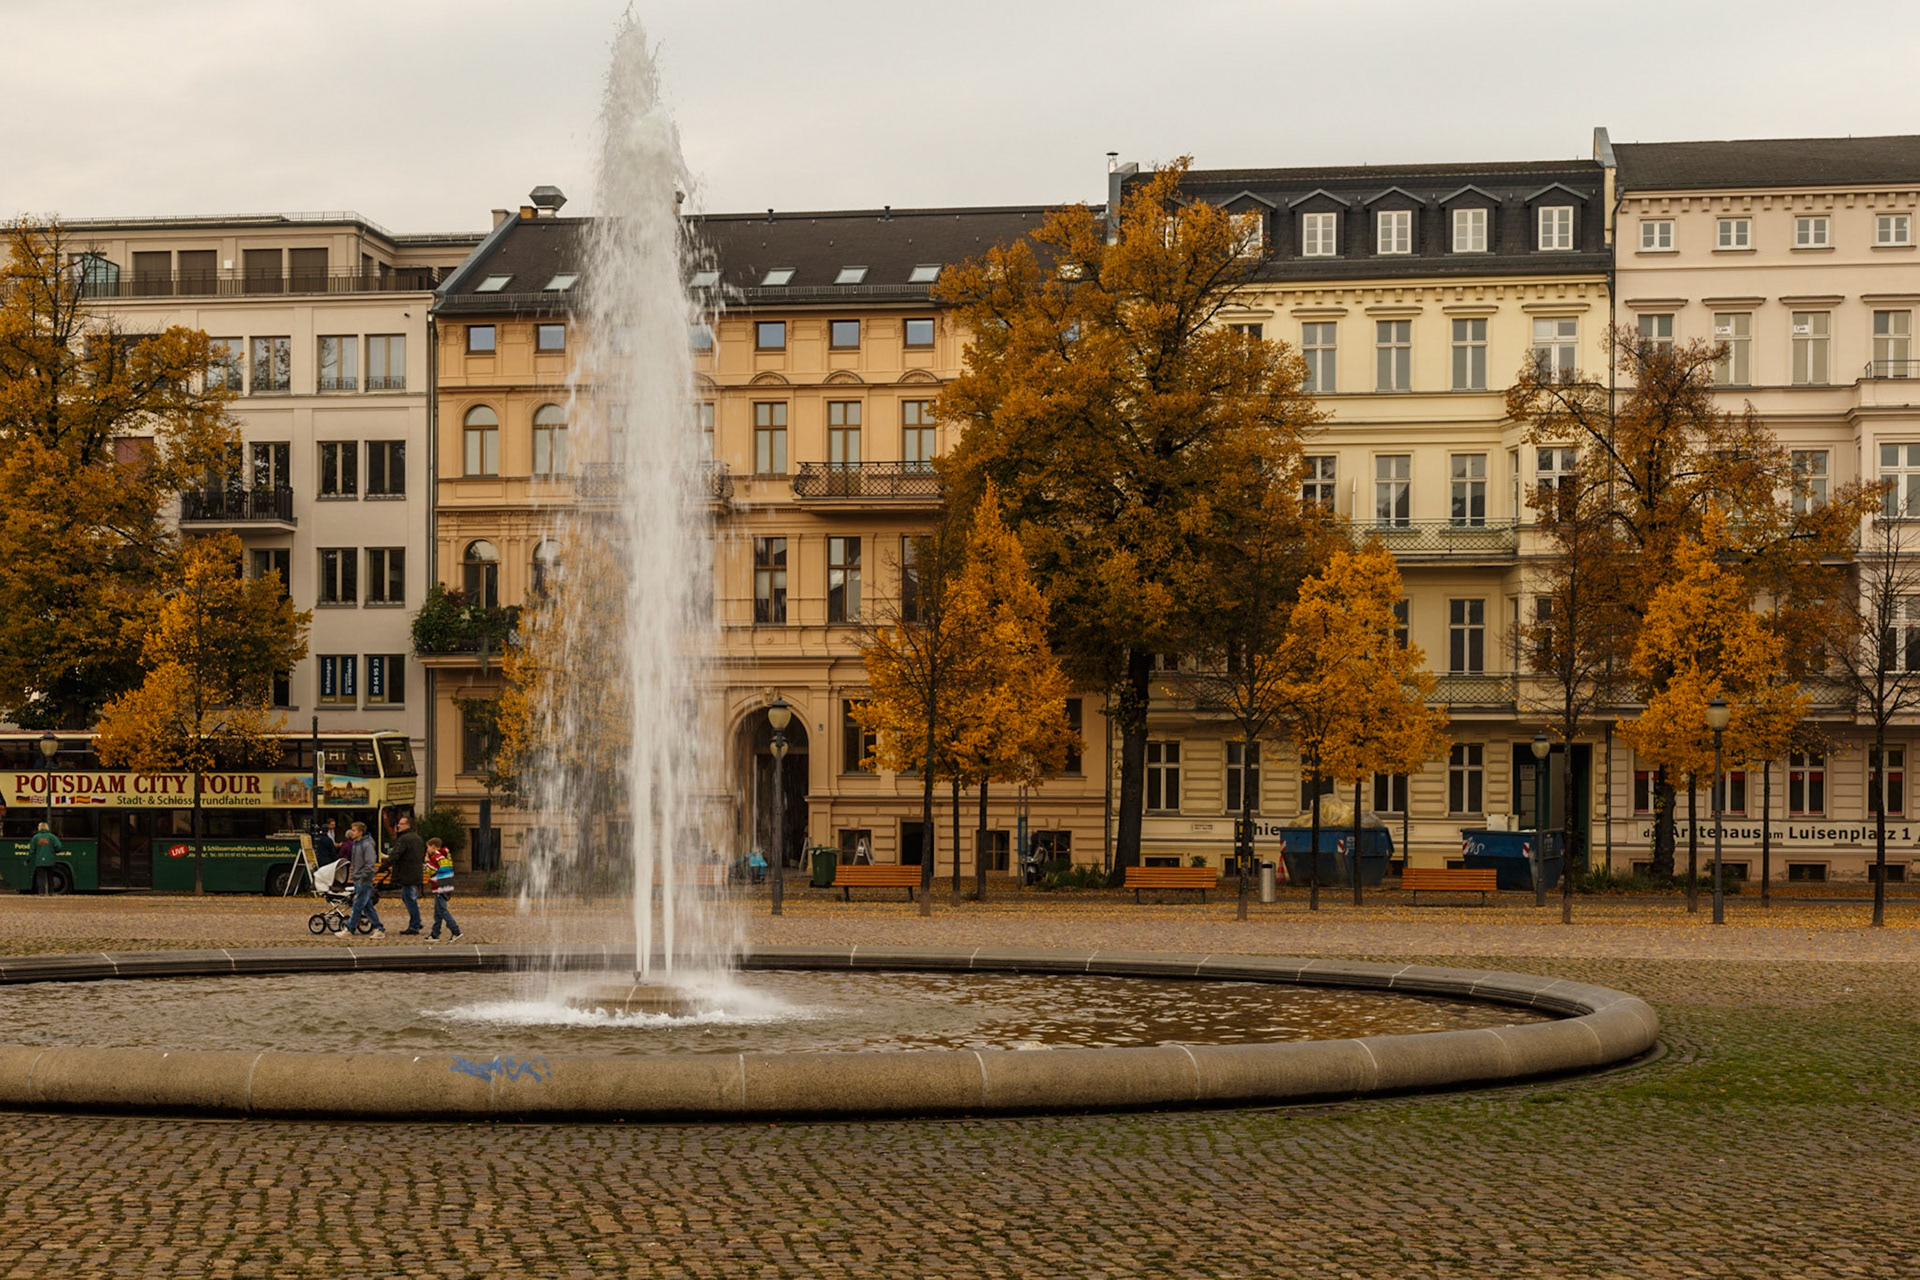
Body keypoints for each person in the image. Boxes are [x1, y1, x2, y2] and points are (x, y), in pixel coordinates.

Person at [380, 810, 428, 935]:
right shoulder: (417, 838)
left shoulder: (404, 839)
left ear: (408, 826)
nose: (398, 826)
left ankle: (415, 924)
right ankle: (416, 921)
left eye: (401, 824)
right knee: (408, 897)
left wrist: (383, 866)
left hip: (407, 873)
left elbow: (396, 854)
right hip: (414, 872)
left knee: (409, 898)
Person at [340, 820, 384, 939]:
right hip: (359, 878)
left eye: (354, 830)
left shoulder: (367, 845)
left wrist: (362, 878)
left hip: (363, 880)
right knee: (366, 906)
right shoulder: (357, 844)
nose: (351, 833)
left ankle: (350, 928)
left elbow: (369, 864)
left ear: (360, 832)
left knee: (358, 905)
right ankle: (379, 928)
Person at [424, 837, 464, 942]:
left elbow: (430, 871)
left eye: (428, 847)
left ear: (433, 847)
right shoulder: (446, 856)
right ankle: (435, 933)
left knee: (442, 910)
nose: (427, 850)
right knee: (438, 912)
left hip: (440, 887)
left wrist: (426, 862)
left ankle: (456, 930)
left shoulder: (436, 857)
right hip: (447, 885)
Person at [27, 822, 64, 894]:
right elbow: (59, 847)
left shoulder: (35, 837)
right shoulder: (52, 837)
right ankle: (51, 892)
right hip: (50, 860)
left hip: (39, 860)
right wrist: (54, 851)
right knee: (50, 876)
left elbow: (31, 850)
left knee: (41, 877)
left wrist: (27, 860)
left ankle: (41, 892)